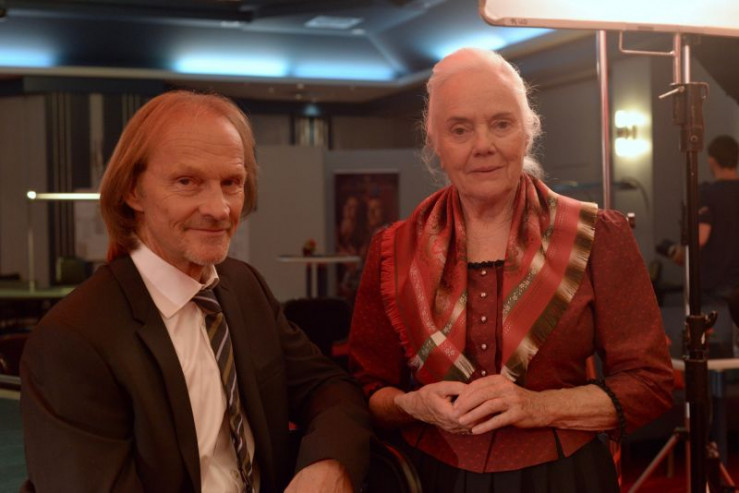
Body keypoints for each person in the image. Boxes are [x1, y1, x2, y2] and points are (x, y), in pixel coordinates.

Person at [348, 47, 674, 492]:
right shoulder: (393, 250)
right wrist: (413, 405)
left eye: (501, 124)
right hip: (434, 477)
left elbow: (650, 384)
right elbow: (365, 392)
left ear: (527, 132)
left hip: (565, 478)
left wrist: (536, 407)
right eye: (459, 129)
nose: (483, 145)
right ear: (435, 144)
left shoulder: (597, 235)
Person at [20, 91, 371, 493]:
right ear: (133, 191)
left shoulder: (243, 287)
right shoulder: (73, 340)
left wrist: (329, 464)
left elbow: (329, 387)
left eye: (231, 182)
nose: (219, 209)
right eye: (187, 182)